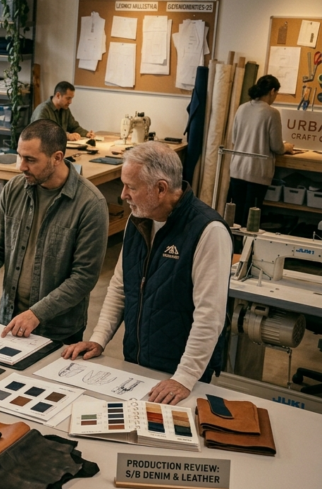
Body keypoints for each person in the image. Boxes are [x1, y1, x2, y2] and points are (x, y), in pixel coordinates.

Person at [63, 142, 232, 405]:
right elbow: (120, 286)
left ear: (161, 188)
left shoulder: (208, 231)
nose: (122, 195)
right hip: (137, 364)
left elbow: (209, 315)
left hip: (183, 376)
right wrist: (98, 340)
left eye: (131, 186)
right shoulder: (137, 220)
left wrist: (184, 377)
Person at [0, 119, 109, 344]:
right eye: (20, 156)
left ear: (57, 158)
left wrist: (37, 313)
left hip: (57, 331)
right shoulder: (14, 189)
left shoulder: (90, 204)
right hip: (9, 319)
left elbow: (83, 278)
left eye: (30, 160)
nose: (21, 166)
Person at [228, 75, 295, 226]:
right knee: (250, 221)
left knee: (235, 218)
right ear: (272, 91)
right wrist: (287, 147)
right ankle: (247, 248)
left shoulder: (242, 108)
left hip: (237, 169)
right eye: (276, 94)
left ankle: (234, 247)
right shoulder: (272, 113)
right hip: (257, 172)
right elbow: (277, 147)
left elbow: (234, 139)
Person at [31, 81, 95, 141]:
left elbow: (74, 127)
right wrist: (67, 136)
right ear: (58, 95)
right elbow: (42, 133)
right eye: (68, 98)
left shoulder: (65, 109)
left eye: (71, 98)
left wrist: (87, 134)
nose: (70, 102)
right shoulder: (43, 110)